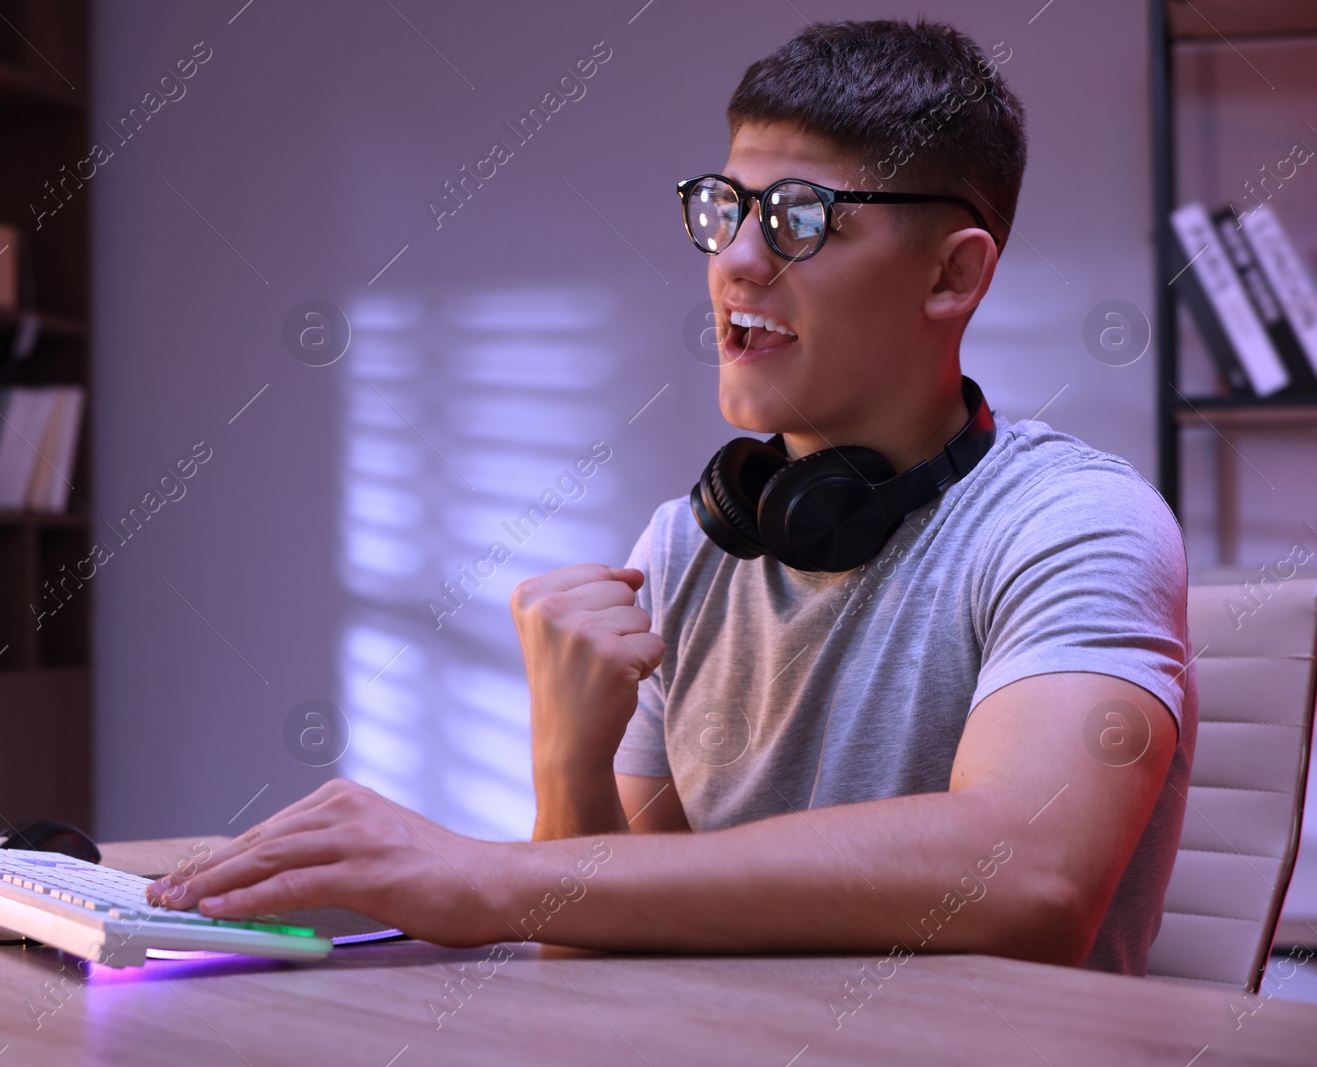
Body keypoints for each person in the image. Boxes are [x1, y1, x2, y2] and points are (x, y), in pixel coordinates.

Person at [148, 18, 1196, 977]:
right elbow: (616, 941)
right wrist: (569, 749)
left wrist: (479, 876)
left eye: (797, 218)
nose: (735, 260)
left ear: (950, 277)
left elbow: (1029, 879)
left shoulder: (1076, 525)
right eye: (726, 208)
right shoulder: (687, 547)